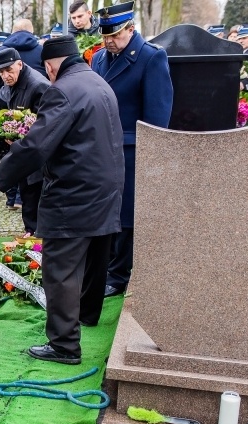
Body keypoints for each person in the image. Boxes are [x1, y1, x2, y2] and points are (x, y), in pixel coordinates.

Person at [0, 35, 124, 365]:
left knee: (61, 267)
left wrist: (1, 174)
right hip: (106, 186)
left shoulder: (62, 90)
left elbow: (37, 146)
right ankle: (87, 314)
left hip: (73, 191)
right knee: (95, 256)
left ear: (50, 66)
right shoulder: (98, 82)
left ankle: (64, 345)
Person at [91, 1, 173, 298]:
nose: (109, 41)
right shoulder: (99, 58)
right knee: (104, 209)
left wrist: (152, 156)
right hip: (101, 148)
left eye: (115, 35)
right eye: (105, 36)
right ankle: (104, 266)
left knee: (126, 215)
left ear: (131, 28)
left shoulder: (151, 57)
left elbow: (157, 115)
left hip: (132, 149)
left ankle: (119, 274)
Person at [0, 47, 50, 236]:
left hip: (37, 156)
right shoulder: (10, 84)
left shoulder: (38, 86)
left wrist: (21, 136)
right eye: (1, 72)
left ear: (20, 64)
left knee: (34, 197)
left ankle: (36, 237)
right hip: (22, 153)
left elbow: (46, 125)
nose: (5, 76)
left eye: (9, 70)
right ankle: (31, 234)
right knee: (27, 196)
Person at [0, 19, 45, 101]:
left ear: (13, 32)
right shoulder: (43, 52)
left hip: (6, 104)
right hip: (38, 102)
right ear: (31, 32)